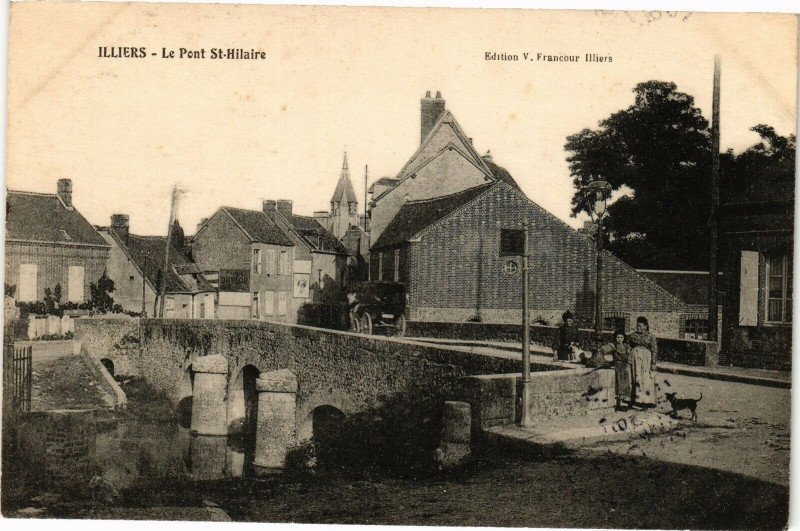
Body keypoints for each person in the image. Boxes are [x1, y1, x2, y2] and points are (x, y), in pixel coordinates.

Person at [628, 316, 658, 408]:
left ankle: (646, 401)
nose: (638, 328)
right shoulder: (632, 336)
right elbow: (628, 346)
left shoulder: (650, 336)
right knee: (635, 377)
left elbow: (654, 350)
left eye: (640, 326)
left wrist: (653, 363)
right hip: (634, 358)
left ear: (645, 326)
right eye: (637, 326)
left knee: (645, 378)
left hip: (646, 359)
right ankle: (635, 399)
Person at [599, 330, 632, 410]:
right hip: (617, 366)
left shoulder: (627, 346)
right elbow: (602, 350)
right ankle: (617, 404)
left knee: (625, 384)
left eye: (621, 337)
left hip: (625, 367)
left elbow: (629, 357)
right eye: (617, 337)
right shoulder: (613, 346)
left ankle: (625, 403)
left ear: (624, 338)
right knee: (618, 384)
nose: (619, 339)